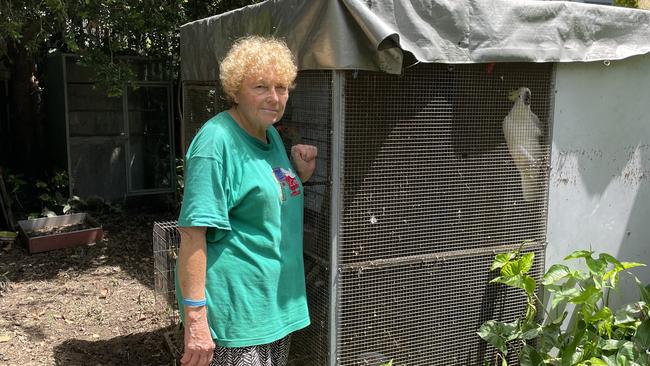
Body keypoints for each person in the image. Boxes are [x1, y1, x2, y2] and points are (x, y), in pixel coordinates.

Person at [175, 36, 317, 366]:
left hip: (276, 307)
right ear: (235, 90)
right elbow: (193, 235)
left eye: (281, 87)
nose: (274, 97)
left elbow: (269, 196)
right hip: (239, 314)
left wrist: (301, 173)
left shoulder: (270, 136)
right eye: (260, 87)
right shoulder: (216, 143)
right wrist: (196, 321)